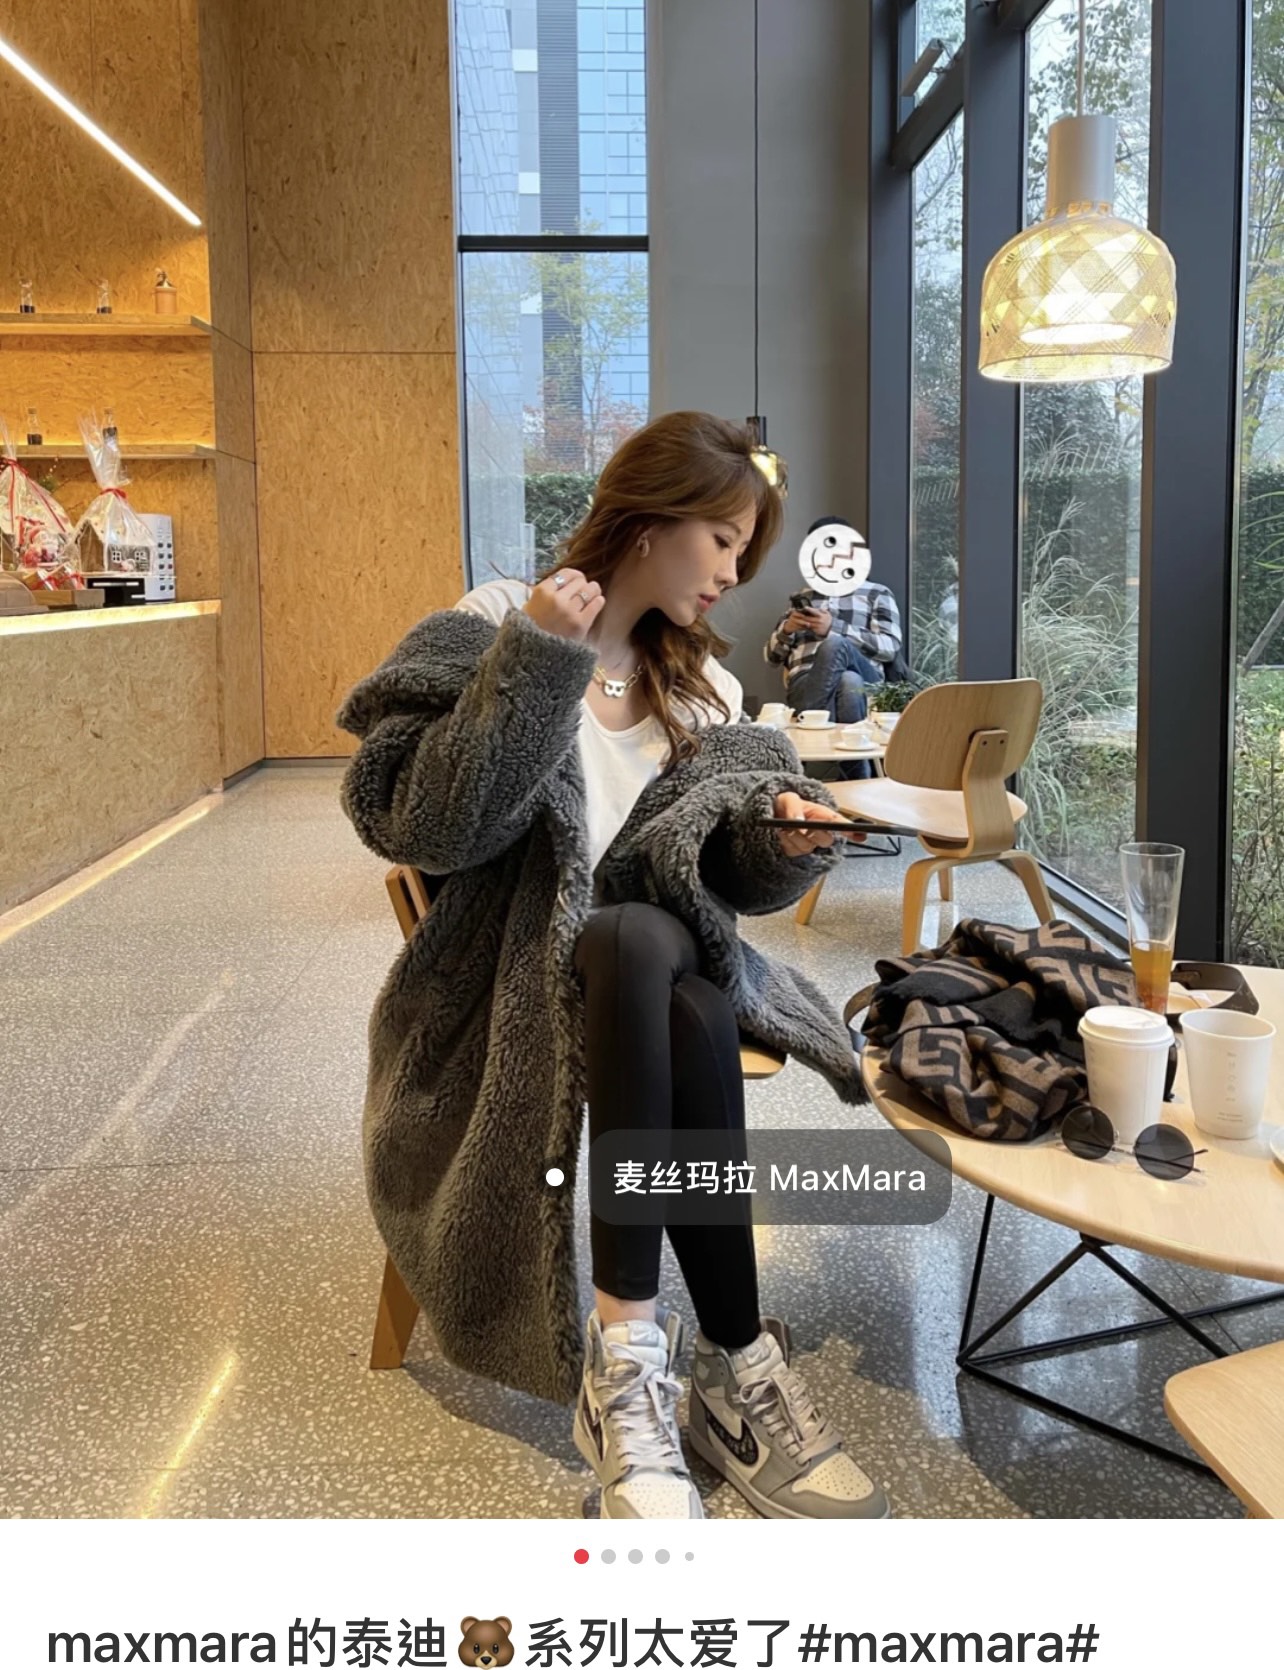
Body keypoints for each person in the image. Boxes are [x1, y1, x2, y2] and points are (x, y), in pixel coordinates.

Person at [337, 411, 890, 1524]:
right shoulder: (499, 621)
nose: (732, 574)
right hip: (512, 971)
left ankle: (628, 1362)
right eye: (723, 540)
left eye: (744, 551)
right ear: (650, 518)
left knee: (645, 938)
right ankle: (732, 1364)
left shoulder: (707, 693)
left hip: (651, 953)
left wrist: (783, 841)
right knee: (682, 999)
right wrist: (538, 659)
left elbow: (725, 880)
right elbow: (422, 822)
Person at [764, 523, 904, 728]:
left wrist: (834, 628)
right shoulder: (803, 597)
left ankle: (812, 726)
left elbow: (890, 647)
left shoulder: (877, 593)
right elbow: (771, 659)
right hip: (806, 680)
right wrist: (787, 630)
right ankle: (852, 749)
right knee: (849, 681)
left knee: (834, 645)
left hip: (867, 682)